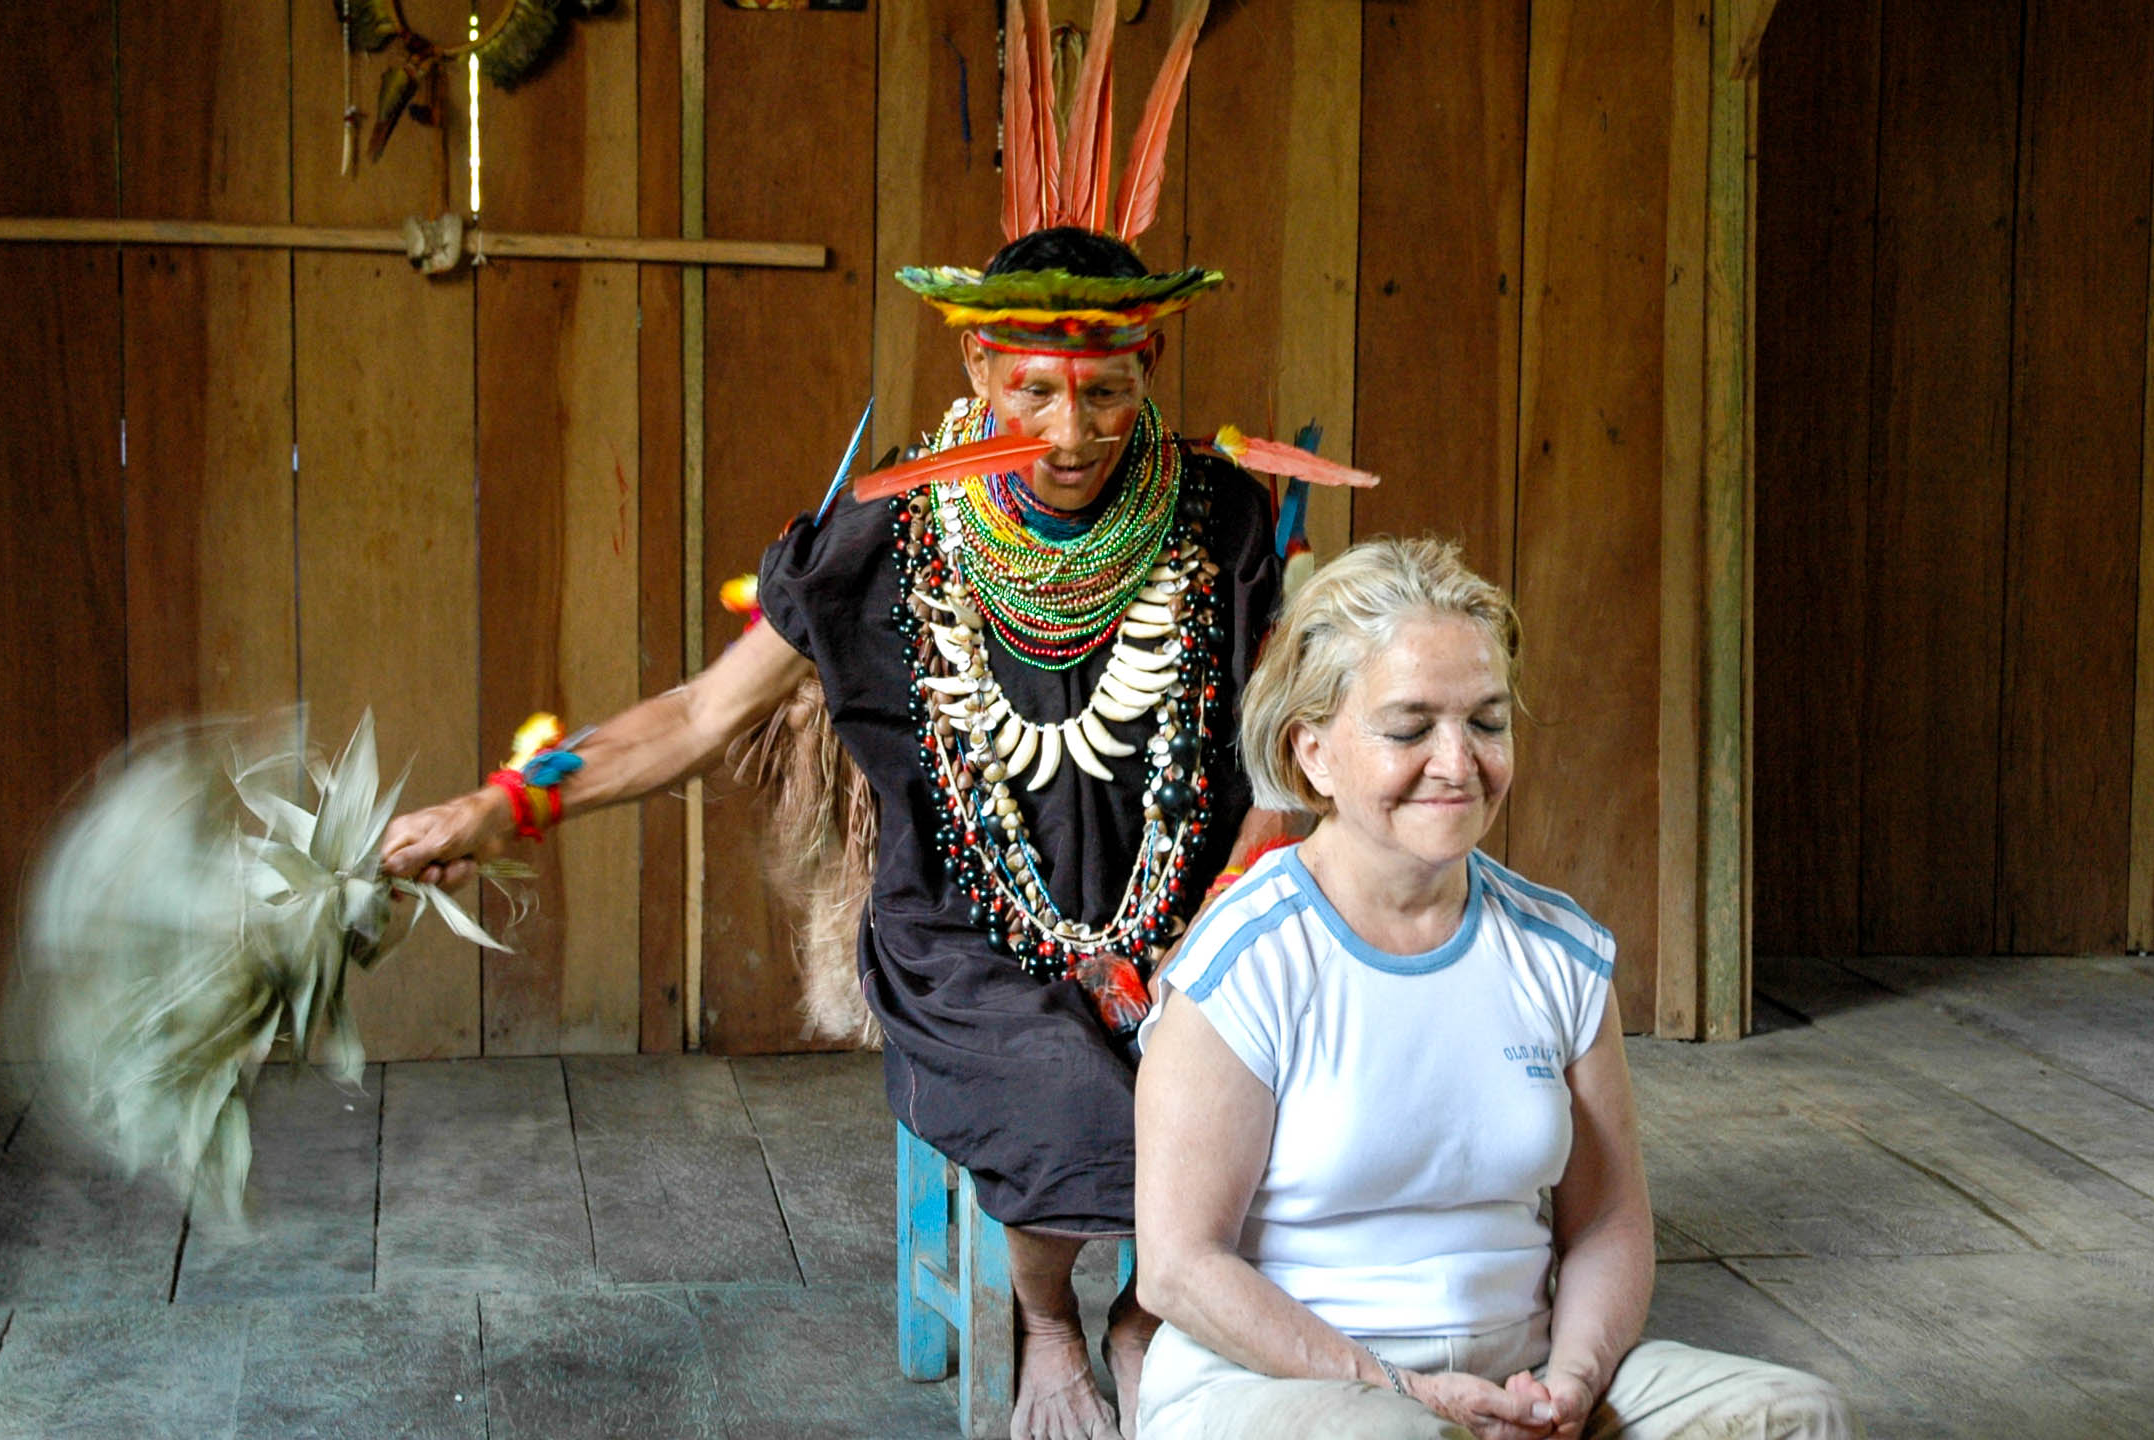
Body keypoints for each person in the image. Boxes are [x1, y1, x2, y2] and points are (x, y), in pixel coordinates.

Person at [380, 7, 1378, 1435]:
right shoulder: (879, 533)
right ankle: (1046, 1325)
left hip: (1196, 925)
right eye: (1032, 389)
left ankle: (1154, 1310)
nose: (1072, 429)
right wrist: (500, 805)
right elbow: (697, 713)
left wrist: (1243, 894)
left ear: (1148, 369)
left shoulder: (1217, 515)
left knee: (1274, 1100)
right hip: (965, 936)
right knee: (1074, 1113)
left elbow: (1288, 739)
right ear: (977, 370)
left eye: (1105, 390)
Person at [1131, 538, 1858, 1440]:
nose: (1458, 762)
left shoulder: (1561, 953)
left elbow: (1609, 1224)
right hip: (1279, 1385)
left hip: (1515, 1378)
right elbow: (1177, 1266)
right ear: (1311, 751)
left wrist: (1570, 1388)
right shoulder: (1244, 964)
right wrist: (1398, 1389)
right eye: (1409, 728)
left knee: (1798, 1417)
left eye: (1486, 721)